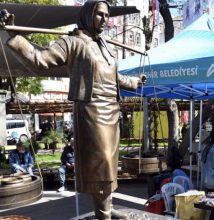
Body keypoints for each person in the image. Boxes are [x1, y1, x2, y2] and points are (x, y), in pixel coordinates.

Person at [0, 1, 145, 219]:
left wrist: (134, 81)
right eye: (99, 15)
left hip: (112, 110)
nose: (104, 20)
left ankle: (105, 207)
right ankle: (103, 213)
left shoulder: (104, 46)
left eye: (106, 16)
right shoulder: (73, 43)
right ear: (88, 15)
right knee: (102, 164)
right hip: (92, 111)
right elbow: (40, 60)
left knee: (109, 166)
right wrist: (14, 36)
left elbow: (115, 78)